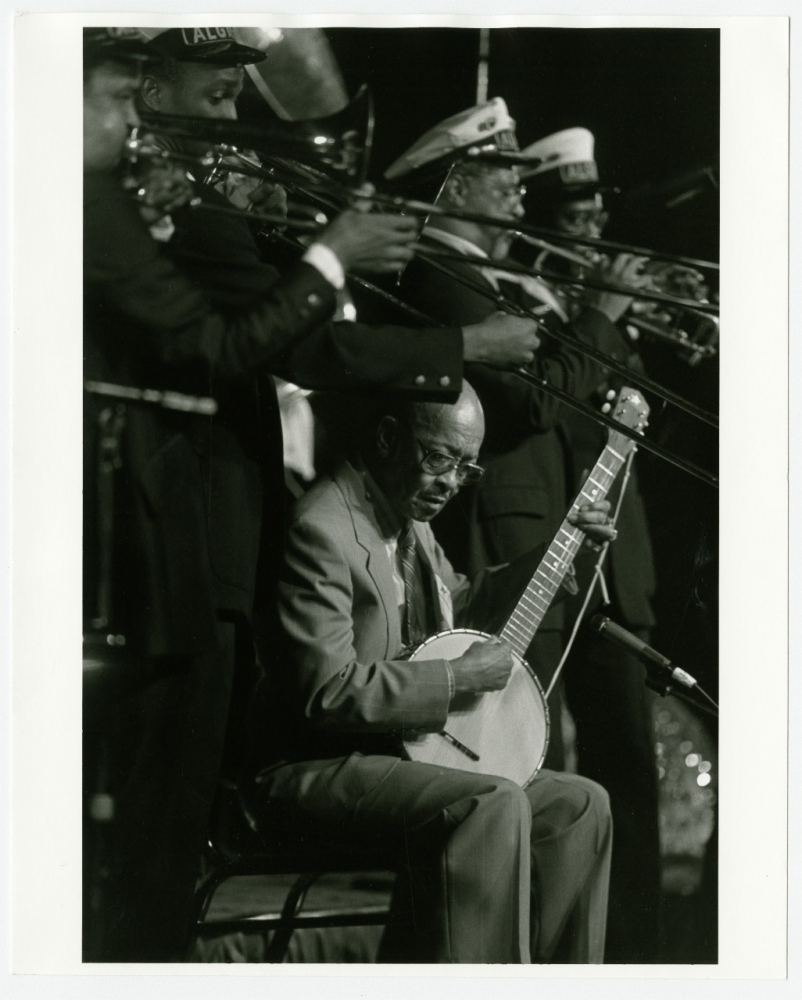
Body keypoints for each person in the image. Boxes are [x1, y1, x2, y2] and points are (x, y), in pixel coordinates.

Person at [82, 29, 540, 962]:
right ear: (145, 82)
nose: (240, 118)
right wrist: (429, 325)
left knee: (165, 830)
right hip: (173, 538)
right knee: (149, 840)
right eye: (217, 94)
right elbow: (277, 346)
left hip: (211, 537)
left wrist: (304, 243)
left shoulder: (188, 204)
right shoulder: (128, 208)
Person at [244, 382, 617, 964]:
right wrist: (457, 682)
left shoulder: (407, 517)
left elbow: (459, 610)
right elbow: (326, 692)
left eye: (466, 467)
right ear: (388, 437)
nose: (449, 482)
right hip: (316, 764)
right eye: (439, 458)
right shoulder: (321, 526)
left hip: (400, 753)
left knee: (579, 806)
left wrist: (551, 559)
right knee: (490, 803)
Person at [388, 100, 643, 770]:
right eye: (505, 185)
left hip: (547, 522)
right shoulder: (442, 277)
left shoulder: (472, 276)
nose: (521, 207)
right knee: (526, 746)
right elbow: (533, 403)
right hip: (512, 528)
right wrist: (601, 319)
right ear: (458, 186)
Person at [518, 126, 661, 963]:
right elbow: (554, 415)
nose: (594, 216)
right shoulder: (533, 299)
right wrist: (602, 321)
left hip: (613, 568)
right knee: (548, 774)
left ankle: (639, 960)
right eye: (575, 204)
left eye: (596, 201)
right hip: (548, 563)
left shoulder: (589, 309)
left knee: (629, 778)